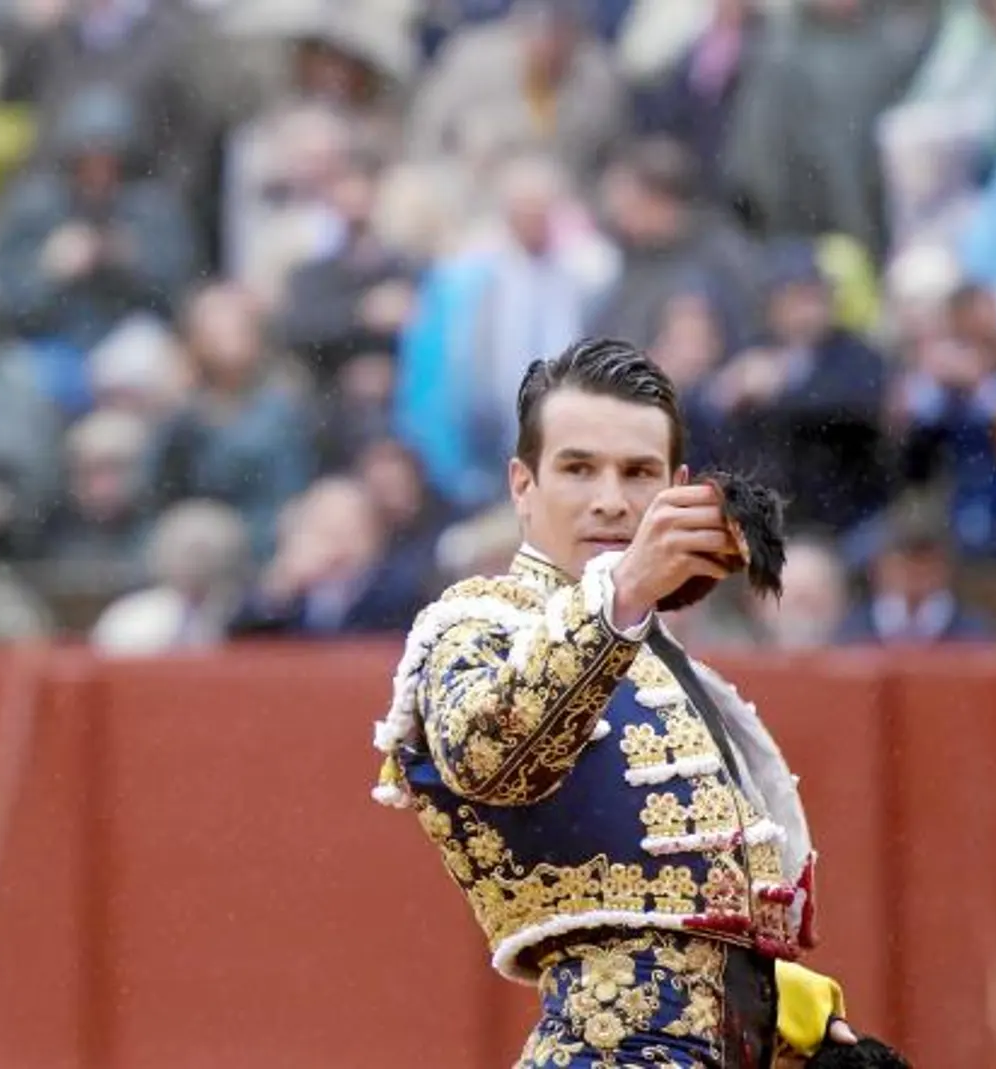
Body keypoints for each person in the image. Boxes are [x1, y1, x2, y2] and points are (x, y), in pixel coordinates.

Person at [370, 338, 867, 1067]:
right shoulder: (476, 624)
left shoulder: (669, 663)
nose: (611, 498)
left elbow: (697, 913)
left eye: (639, 472)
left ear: (677, 486)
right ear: (521, 484)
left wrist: (777, 1013)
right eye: (578, 468)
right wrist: (624, 594)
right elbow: (489, 755)